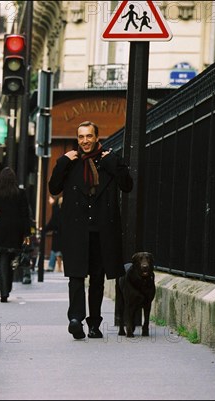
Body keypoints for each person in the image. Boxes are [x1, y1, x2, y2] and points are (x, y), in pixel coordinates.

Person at [48, 121, 133, 339]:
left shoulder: (108, 160)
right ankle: (75, 319)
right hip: (77, 230)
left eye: (88, 136)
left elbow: (127, 185)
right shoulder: (71, 162)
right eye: (81, 137)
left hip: (101, 230)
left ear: (96, 137)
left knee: (97, 278)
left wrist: (114, 162)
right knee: (75, 277)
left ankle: (94, 324)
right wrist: (62, 162)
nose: (85, 141)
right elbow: (54, 188)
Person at [0, 167, 32, 303]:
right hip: (16, 228)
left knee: (3, 258)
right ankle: (7, 287)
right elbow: (25, 214)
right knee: (11, 258)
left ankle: (3, 291)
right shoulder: (20, 193)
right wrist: (26, 232)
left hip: (1, 227)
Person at [44, 195, 63, 273]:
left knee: (56, 250)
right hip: (60, 233)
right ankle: (52, 266)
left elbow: (53, 221)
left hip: (58, 233)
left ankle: (56, 267)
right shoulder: (60, 210)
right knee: (55, 250)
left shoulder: (57, 210)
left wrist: (46, 229)